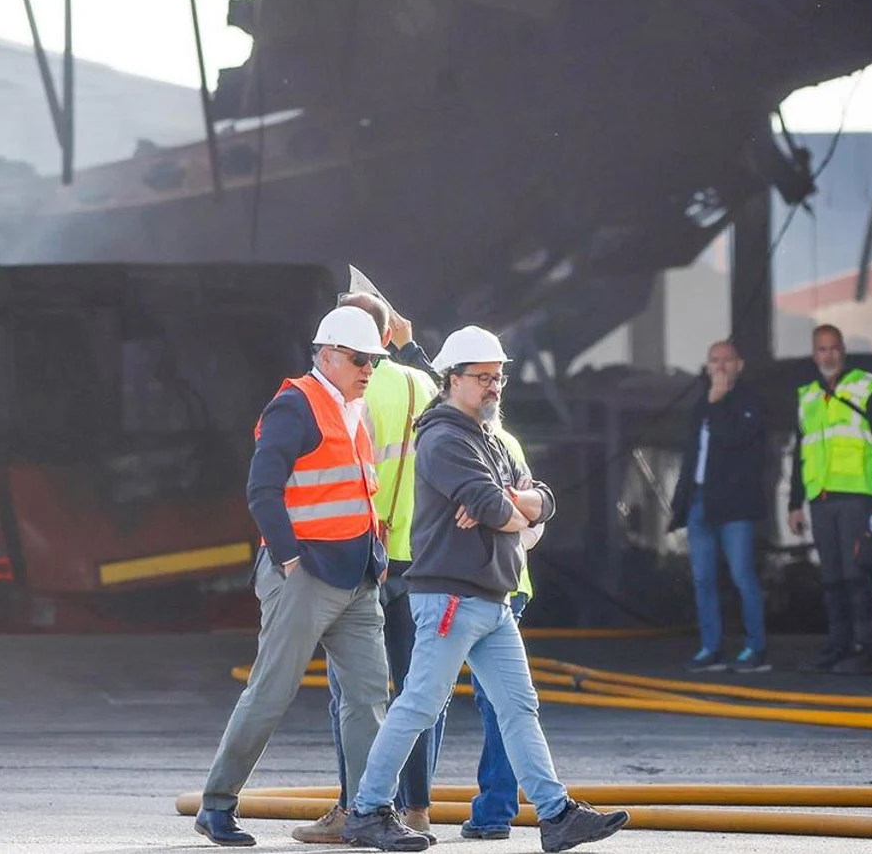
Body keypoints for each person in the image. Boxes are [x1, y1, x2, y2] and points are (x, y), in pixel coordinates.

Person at [340, 326, 629, 853]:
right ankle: (366, 811)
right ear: (452, 379)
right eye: (483, 377)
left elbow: (540, 500)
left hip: (492, 598)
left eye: (499, 377)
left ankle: (555, 813)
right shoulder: (444, 438)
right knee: (418, 706)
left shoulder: (490, 438)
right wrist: (509, 506)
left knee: (519, 707)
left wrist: (511, 505)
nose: (495, 386)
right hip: (452, 596)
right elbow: (500, 506)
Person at [194, 306, 394, 848]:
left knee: (370, 696)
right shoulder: (295, 405)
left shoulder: (353, 409)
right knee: (271, 692)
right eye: (359, 360)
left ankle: (367, 812)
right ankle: (216, 807)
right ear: (327, 355)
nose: (368, 370)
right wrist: (287, 560)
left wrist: (374, 554)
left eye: (373, 360)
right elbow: (262, 490)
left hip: (355, 574)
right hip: (305, 574)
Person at [296, 293, 446, 844]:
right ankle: (419, 807)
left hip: (364, 557)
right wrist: (411, 346)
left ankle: (352, 807)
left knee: (354, 695)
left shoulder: (343, 392)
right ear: (388, 335)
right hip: (423, 556)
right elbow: (462, 401)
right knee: (416, 690)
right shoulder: (420, 384)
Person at [788, 324, 872, 676]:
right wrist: (794, 502)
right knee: (832, 577)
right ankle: (837, 646)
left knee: (856, 573)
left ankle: (864, 648)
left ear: (843, 350)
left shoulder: (868, 387)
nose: (829, 355)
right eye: (822, 350)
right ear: (813, 354)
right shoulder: (806, 396)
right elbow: (799, 454)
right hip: (820, 498)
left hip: (856, 496)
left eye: (834, 348)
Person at [459, 421, 543, 842]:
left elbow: (535, 518)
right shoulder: (505, 442)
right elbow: (531, 524)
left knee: (420, 698)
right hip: (503, 585)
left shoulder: (447, 442)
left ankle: (400, 806)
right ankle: (495, 811)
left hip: (461, 586)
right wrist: (507, 516)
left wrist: (492, 513)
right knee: (505, 705)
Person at [669, 340, 772, 674]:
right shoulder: (701, 403)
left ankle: (755, 648)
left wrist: (717, 403)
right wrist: (680, 502)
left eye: (727, 360)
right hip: (701, 502)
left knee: (743, 575)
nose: (721, 366)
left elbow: (735, 440)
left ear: (739, 365)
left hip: (735, 505)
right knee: (703, 579)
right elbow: (691, 456)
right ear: (707, 366)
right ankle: (710, 648)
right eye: (714, 361)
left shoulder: (749, 401)